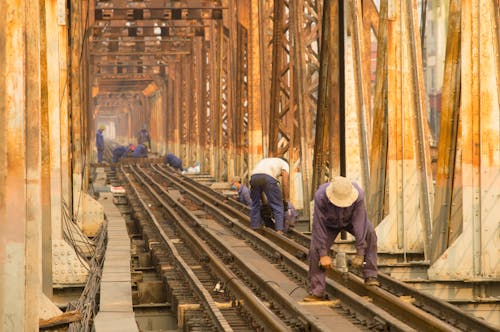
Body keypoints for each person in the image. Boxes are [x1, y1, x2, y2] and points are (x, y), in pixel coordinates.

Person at [303, 176, 379, 302]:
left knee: (370, 233)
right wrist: (323, 254)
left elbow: (360, 223)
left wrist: (360, 252)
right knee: (314, 251)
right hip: (329, 224)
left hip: (350, 221)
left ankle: (371, 275)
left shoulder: (358, 195)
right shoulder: (321, 196)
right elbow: (318, 225)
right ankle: (317, 291)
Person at [249, 157, 290, 234]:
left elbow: (260, 190)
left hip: (254, 177)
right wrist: (285, 200)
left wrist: (264, 204)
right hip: (268, 178)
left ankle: (255, 227)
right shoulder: (285, 164)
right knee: (278, 205)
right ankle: (279, 230)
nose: (280, 176)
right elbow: (285, 184)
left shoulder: (266, 161)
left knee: (255, 204)